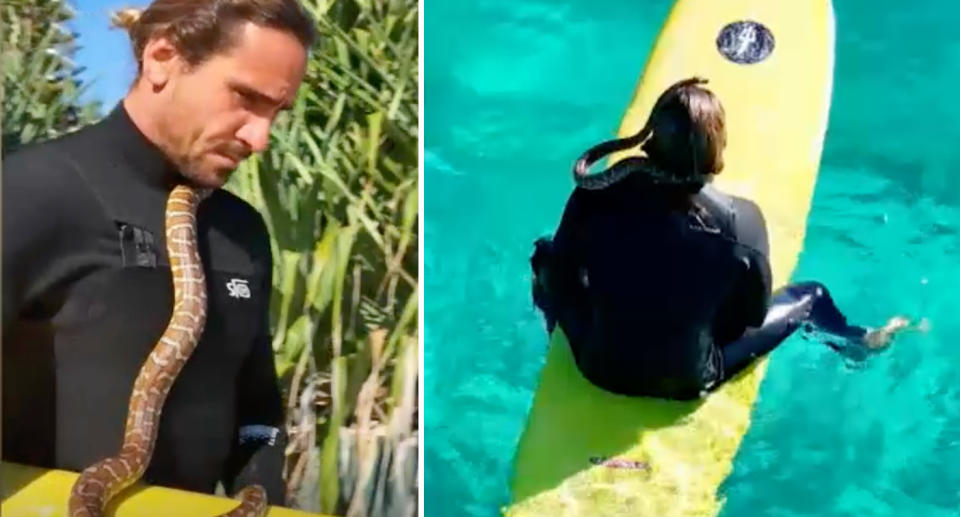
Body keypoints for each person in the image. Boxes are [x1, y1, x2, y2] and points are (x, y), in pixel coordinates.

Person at [1, 0, 316, 506]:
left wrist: (260, 491)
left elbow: (257, 413)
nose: (259, 138)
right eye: (245, 98)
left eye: (276, 113)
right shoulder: (30, 195)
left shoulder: (242, 231)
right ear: (162, 58)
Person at [530, 77, 916, 401]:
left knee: (545, 253)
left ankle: (556, 335)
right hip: (689, 378)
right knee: (811, 296)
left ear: (649, 141)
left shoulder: (592, 195)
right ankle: (861, 342)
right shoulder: (742, 221)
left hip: (599, 368)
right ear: (718, 150)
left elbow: (562, 280)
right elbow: (750, 316)